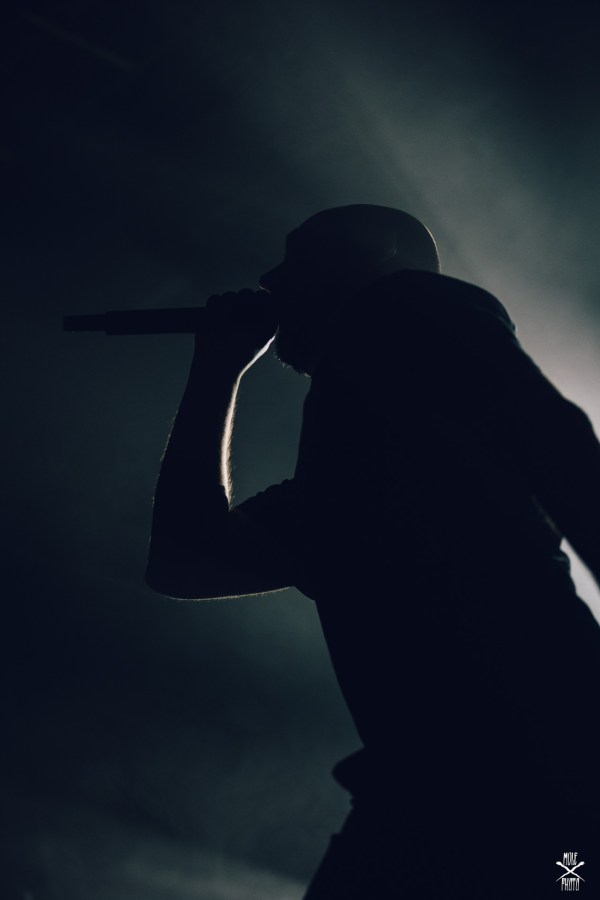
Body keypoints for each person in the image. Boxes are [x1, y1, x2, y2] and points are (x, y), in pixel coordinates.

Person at [145, 205, 600, 898]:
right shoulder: (341, 496)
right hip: (448, 790)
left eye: (297, 257)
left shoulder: (404, 301)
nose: (270, 279)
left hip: (528, 769)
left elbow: (562, 451)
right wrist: (216, 368)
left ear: (378, 252)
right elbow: (183, 558)